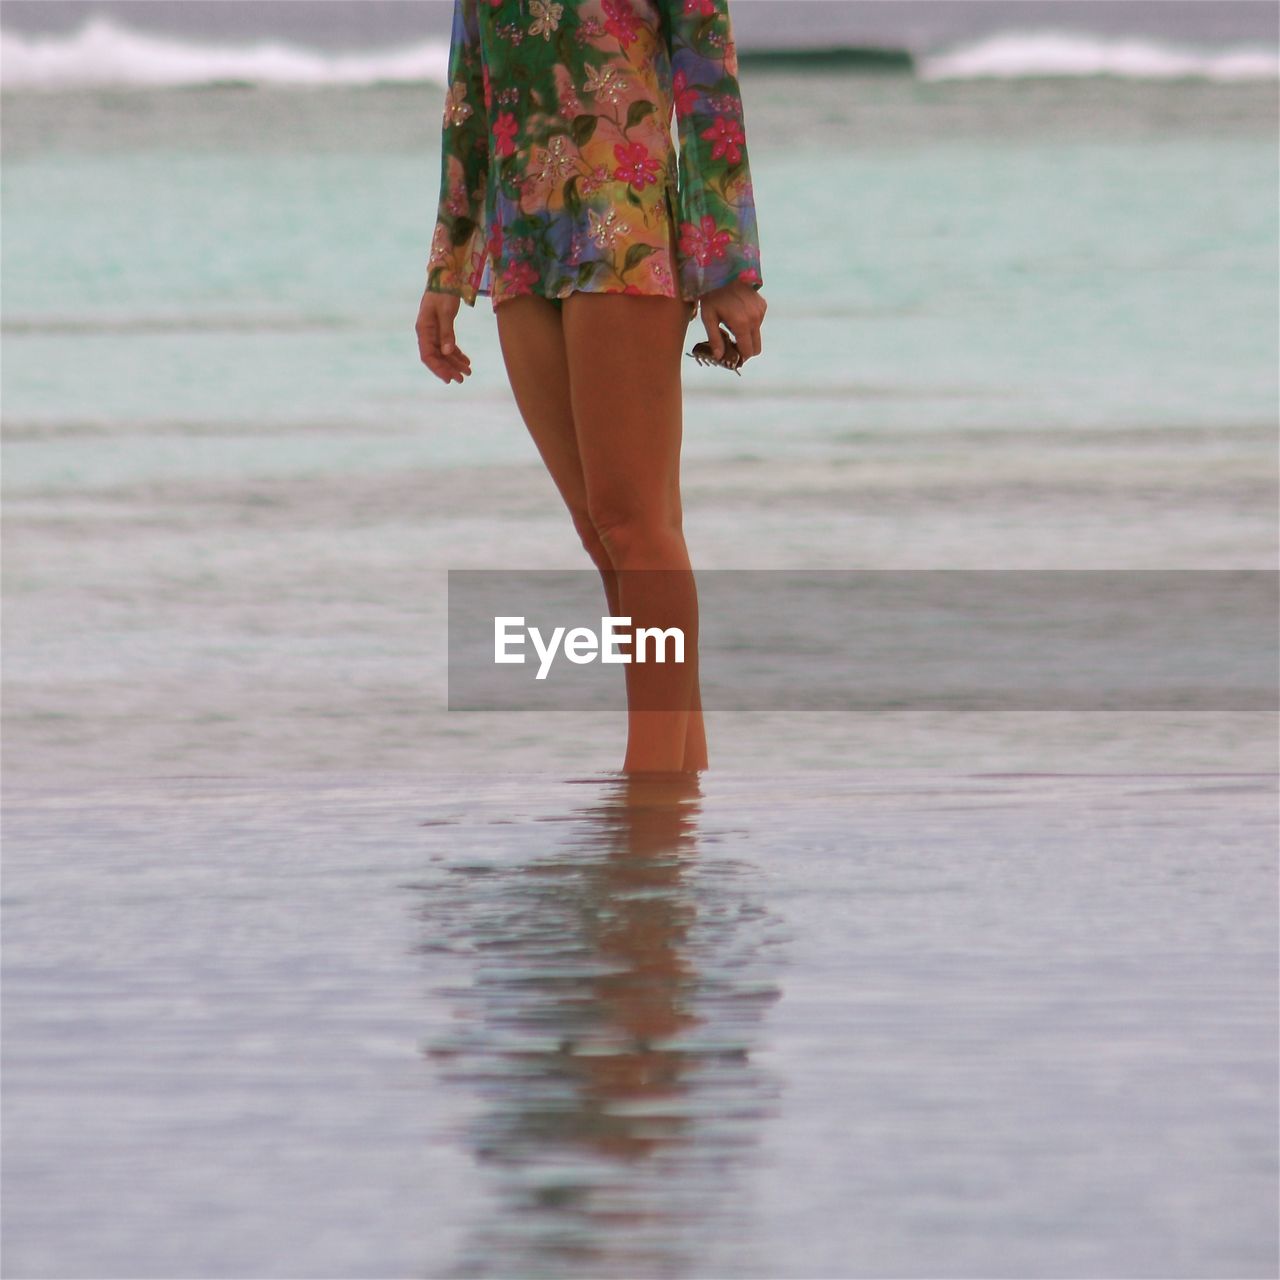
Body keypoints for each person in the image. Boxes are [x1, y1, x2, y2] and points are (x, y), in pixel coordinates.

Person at [416, 0, 767, 774]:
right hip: (520, 240)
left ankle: (646, 792)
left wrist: (726, 267)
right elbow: (467, 91)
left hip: (626, 224)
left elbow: (708, 89)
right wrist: (449, 264)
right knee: (601, 532)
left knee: (635, 526)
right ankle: (678, 785)